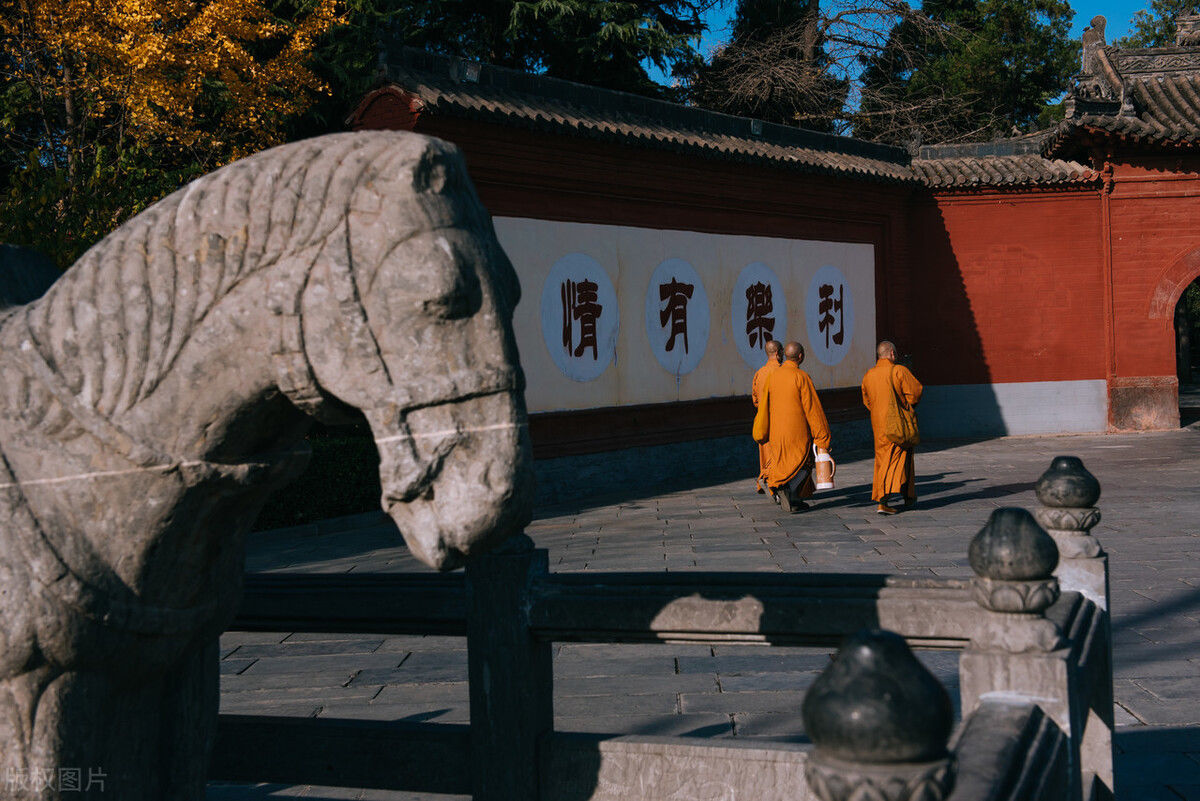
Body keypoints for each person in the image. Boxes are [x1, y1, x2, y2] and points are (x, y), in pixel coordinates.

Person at [763, 341, 831, 512]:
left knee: (782, 463)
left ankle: (793, 499)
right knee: (805, 463)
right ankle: (787, 488)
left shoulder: (774, 376)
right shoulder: (801, 377)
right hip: (797, 432)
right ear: (800, 356)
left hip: (776, 431)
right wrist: (822, 436)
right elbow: (812, 409)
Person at [861, 340, 923, 515]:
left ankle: (908, 495)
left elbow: (867, 401)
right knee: (896, 461)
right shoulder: (899, 371)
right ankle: (883, 501)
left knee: (884, 461)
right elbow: (915, 393)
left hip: (878, 426)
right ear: (892, 354)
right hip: (897, 426)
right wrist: (906, 405)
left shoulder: (869, 375)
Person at [751, 339, 783, 494]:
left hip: (764, 421)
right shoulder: (783, 372)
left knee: (767, 455)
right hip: (780, 421)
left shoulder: (760, 373)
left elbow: (755, 400)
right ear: (778, 353)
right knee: (780, 455)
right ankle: (777, 485)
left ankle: (768, 480)